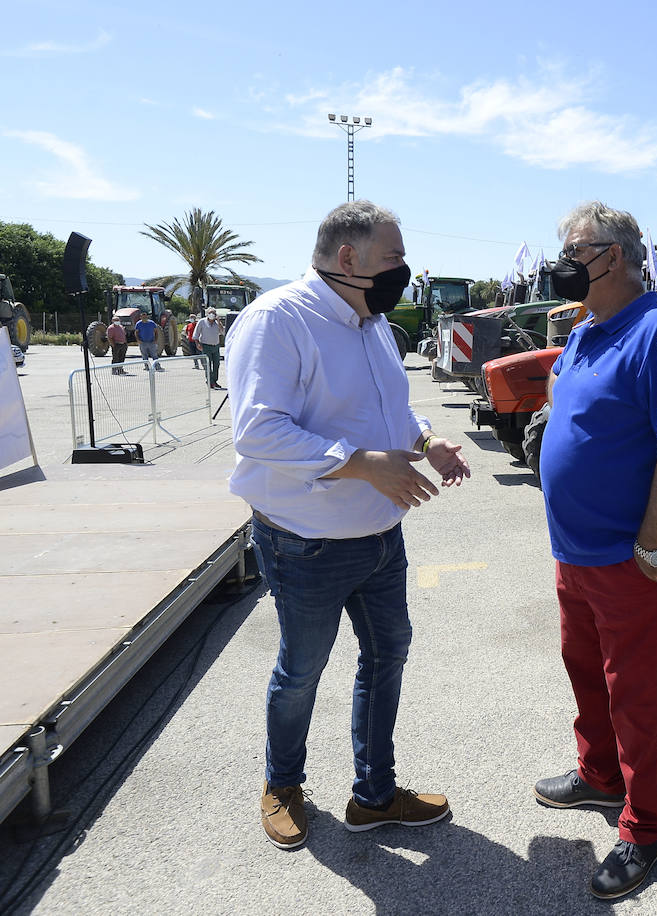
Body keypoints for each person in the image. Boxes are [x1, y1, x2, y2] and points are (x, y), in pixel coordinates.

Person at [226, 200, 472, 851]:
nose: (403, 270)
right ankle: (282, 785)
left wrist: (427, 441)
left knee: (387, 655)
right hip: (305, 543)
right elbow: (257, 432)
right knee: (301, 670)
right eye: (392, 258)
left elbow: (391, 412)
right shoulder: (279, 321)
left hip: (381, 538)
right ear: (347, 260)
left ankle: (374, 796)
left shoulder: (375, 326)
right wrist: (362, 465)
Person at [534, 202, 657, 900]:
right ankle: (600, 775)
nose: (566, 261)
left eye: (576, 249)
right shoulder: (586, 332)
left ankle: (645, 825)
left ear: (616, 255)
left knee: (634, 693)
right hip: (574, 554)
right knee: (586, 674)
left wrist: (650, 547)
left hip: (624, 560)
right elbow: (566, 405)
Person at [194, 307, 224, 389]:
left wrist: (219, 321)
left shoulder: (217, 323)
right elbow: (196, 334)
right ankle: (210, 382)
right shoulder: (202, 322)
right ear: (207, 314)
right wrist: (197, 344)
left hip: (216, 346)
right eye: (210, 313)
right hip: (206, 346)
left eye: (214, 313)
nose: (212, 314)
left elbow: (223, 332)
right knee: (207, 365)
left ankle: (214, 381)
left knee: (216, 364)